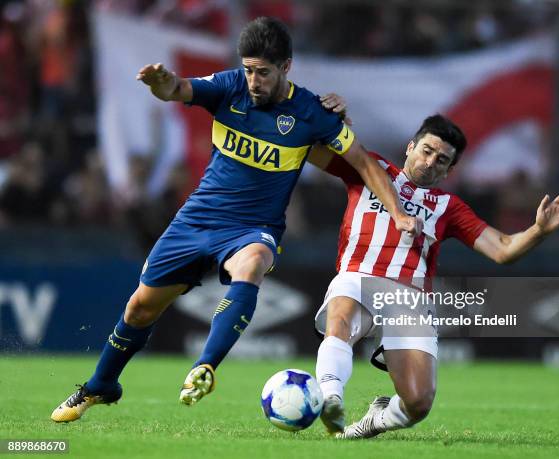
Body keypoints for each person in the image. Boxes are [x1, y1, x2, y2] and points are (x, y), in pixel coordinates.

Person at [50, 17, 420, 423]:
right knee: (140, 309)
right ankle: (101, 386)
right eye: (248, 69)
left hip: (253, 228)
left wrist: (399, 214)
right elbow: (179, 89)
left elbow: (364, 163)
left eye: (263, 72)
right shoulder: (229, 87)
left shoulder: (312, 112)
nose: (254, 80)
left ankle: (204, 366)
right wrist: (163, 83)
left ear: (286, 68)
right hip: (196, 219)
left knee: (254, 262)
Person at [307, 114, 559, 437]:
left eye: (442, 160)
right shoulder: (371, 168)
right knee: (341, 315)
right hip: (358, 275)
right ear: (410, 147)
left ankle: (372, 422)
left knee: (418, 403)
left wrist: (538, 230)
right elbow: (311, 151)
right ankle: (330, 397)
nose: (430, 161)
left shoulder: (448, 208)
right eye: (426, 150)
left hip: (408, 296)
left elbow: (503, 249)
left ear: (450, 171)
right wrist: (325, 120)